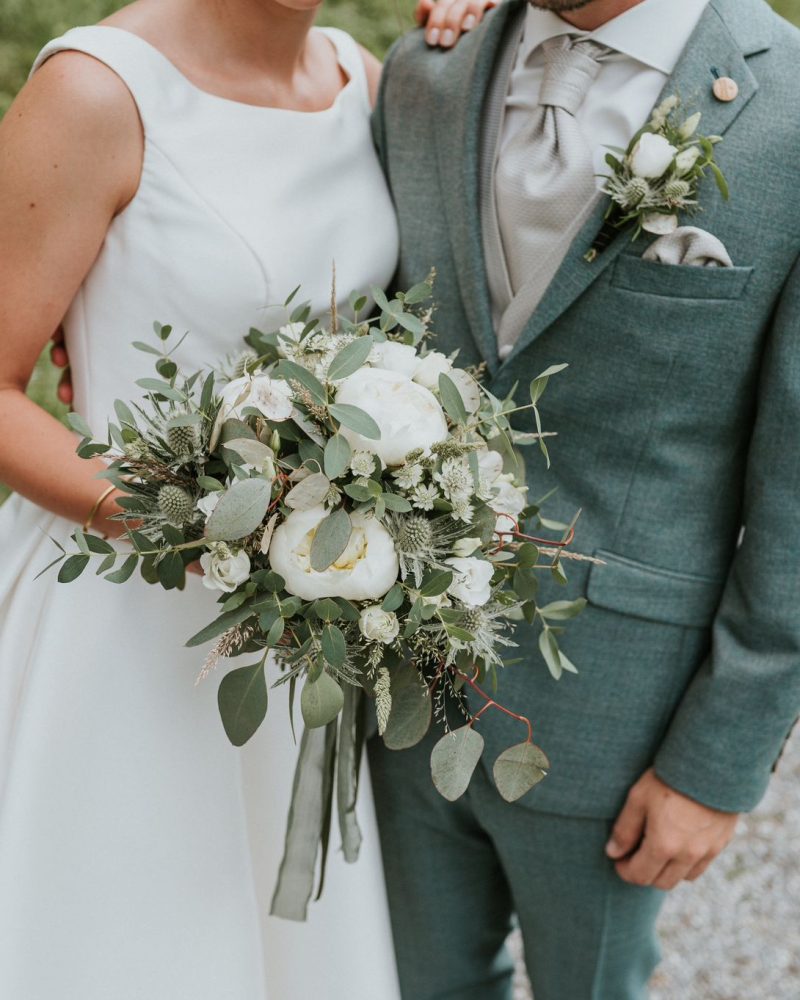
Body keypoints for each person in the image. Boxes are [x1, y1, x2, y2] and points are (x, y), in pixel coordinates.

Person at [0, 1, 488, 998]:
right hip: (125, 620)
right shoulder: (98, 91)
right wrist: (205, 536)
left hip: (302, 631)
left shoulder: (358, 77)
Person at [367, 0, 800, 997]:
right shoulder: (423, 74)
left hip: (616, 709)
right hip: (393, 674)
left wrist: (714, 763)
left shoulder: (788, 109)